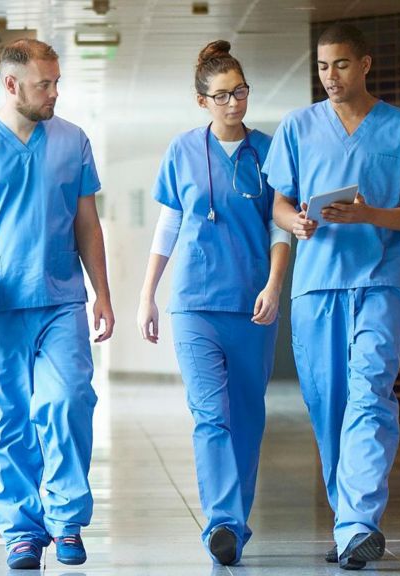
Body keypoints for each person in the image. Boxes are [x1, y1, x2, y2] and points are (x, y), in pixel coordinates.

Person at [262, 23, 400, 570]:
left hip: (379, 282)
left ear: (365, 65)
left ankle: (359, 523)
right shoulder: (298, 127)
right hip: (317, 287)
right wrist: (294, 222)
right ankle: (347, 522)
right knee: (329, 409)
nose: (330, 77)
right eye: (322, 67)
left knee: (370, 395)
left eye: (341, 65)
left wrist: (368, 213)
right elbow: (277, 204)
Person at [0, 38, 114, 570]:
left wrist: (102, 293)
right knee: (9, 419)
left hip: (61, 297)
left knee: (68, 400)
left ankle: (67, 517)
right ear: (11, 84)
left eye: (57, 82)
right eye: (44, 84)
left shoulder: (72, 141)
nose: (54, 92)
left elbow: (87, 224)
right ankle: (22, 530)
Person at [136, 40, 291, 566]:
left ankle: (235, 523)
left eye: (240, 92)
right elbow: (170, 223)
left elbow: (280, 224)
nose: (233, 104)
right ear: (201, 100)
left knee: (247, 416)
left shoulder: (270, 151)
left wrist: (273, 286)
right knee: (210, 416)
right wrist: (147, 294)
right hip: (195, 304)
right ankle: (222, 521)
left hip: (252, 305)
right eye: (222, 95)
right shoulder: (182, 150)